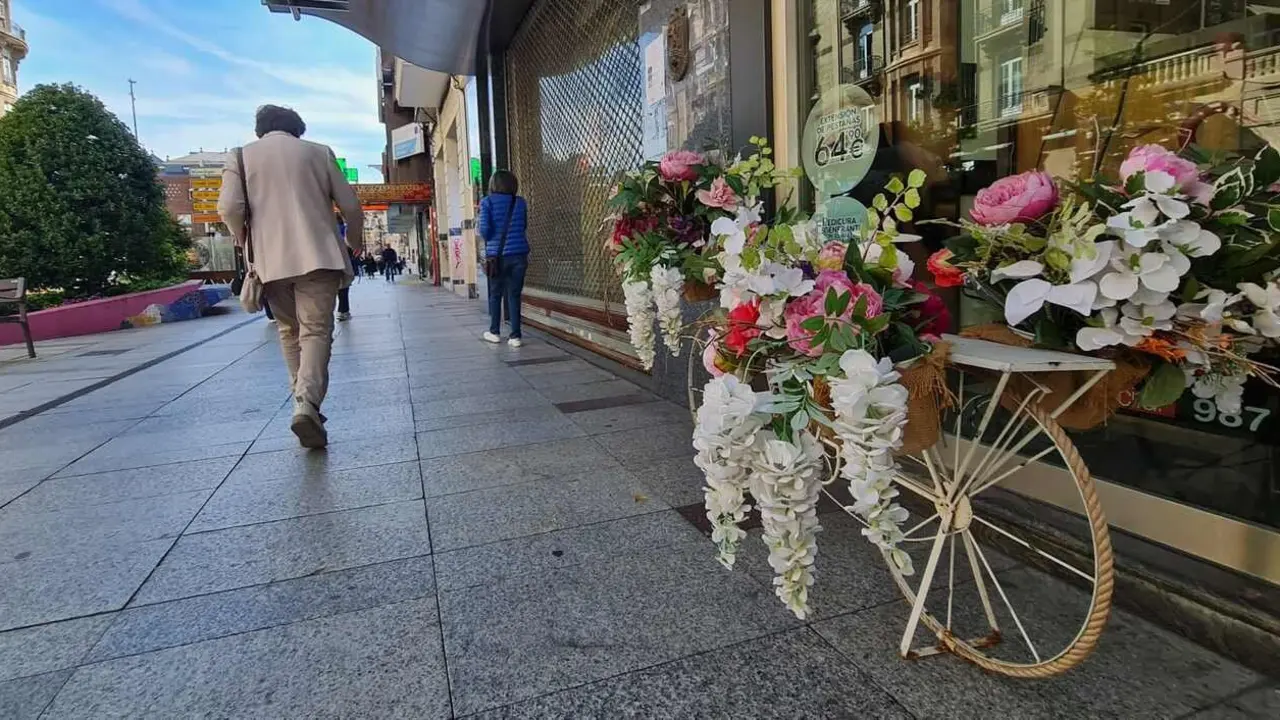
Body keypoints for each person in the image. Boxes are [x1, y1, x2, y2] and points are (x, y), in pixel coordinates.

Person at [218, 104, 362, 449]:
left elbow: (228, 208)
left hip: (270, 262)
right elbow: (352, 206)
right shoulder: (318, 153)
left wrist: (244, 239)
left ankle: (301, 399)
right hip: (319, 255)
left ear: (260, 129)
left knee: (289, 331)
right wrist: (352, 242)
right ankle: (307, 403)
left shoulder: (240, 157)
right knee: (315, 331)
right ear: (298, 128)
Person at [478, 169, 529, 348]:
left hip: (497, 257)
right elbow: (523, 225)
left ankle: (494, 332)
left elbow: (484, 231)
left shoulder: (487, 202)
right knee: (514, 295)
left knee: (495, 294)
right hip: (519, 255)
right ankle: (515, 336)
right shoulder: (520, 202)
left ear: (493, 184)